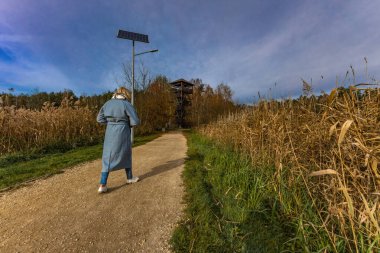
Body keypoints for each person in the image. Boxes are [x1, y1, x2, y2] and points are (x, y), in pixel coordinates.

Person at [96, 87, 140, 193]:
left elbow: (99, 119)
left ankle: (102, 184)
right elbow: (135, 122)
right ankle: (129, 178)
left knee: (107, 156)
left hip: (110, 131)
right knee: (126, 154)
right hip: (123, 131)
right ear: (125, 94)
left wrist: (111, 123)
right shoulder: (126, 104)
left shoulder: (107, 103)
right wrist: (126, 123)